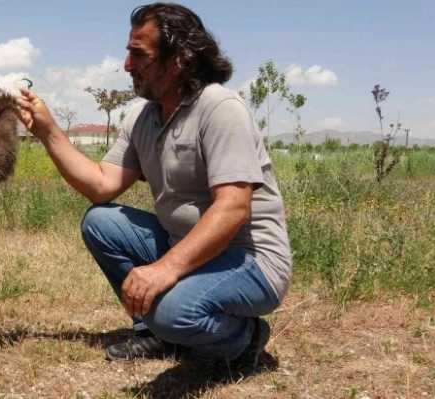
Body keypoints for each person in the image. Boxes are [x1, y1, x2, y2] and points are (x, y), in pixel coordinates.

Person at [16, 2, 291, 367]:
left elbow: (233, 208)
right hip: (187, 247)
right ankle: (155, 334)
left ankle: (245, 338)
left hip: (250, 261)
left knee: (171, 312)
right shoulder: (142, 117)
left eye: (138, 54)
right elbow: (101, 185)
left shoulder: (220, 108)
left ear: (179, 59)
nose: (127, 65)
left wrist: (165, 270)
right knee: (100, 221)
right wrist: (48, 131)